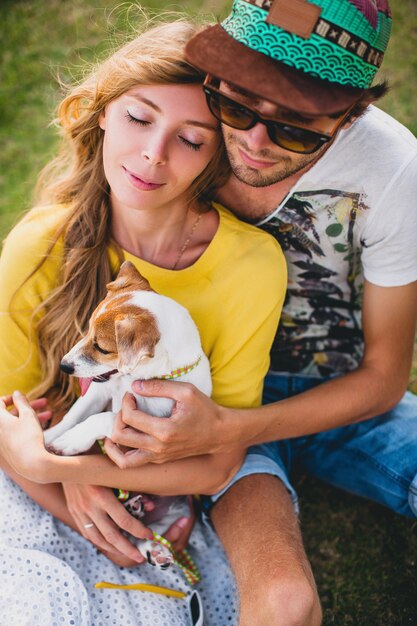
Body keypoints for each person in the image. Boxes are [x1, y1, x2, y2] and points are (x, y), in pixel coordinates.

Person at [84, 1, 417, 625]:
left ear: (351, 116)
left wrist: (232, 430)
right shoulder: (173, 136)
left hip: (336, 396)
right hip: (209, 402)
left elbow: (384, 377)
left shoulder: (395, 170)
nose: (255, 143)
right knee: (285, 603)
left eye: (295, 127)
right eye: (236, 107)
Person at [0, 17, 287, 626]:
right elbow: (8, 411)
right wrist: (63, 482)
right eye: (139, 118)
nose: (153, 155)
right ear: (103, 112)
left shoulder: (250, 266)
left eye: (191, 138)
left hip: (148, 487)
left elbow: (218, 460)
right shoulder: (36, 248)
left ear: (217, 156)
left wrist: (73, 468)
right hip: (30, 479)